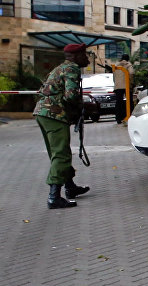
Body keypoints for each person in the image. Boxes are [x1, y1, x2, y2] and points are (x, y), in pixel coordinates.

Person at [34, 43, 91, 209]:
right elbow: (71, 95)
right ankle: (54, 197)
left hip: (43, 114)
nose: (86, 58)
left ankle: (70, 187)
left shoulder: (60, 68)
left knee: (58, 152)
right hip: (54, 115)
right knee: (61, 155)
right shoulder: (72, 68)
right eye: (84, 55)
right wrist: (81, 107)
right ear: (76, 56)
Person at [112, 54, 134, 124]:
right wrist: (131, 83)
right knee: (129, 101)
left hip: (118, 86)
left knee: (119, 102)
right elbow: (131, 73)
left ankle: (118, 118)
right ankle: (129, 116)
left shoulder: (116, 65)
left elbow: (114, 76)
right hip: (127, 85)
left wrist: (116, 83)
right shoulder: (128, 64)